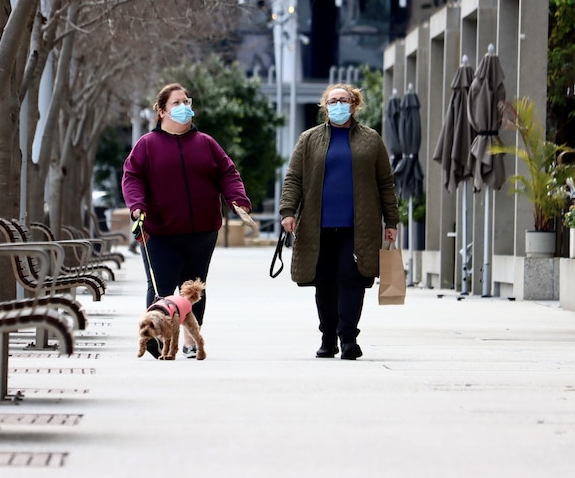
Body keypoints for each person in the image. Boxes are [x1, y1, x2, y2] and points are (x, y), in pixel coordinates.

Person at [122, 82, 252, 359]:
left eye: (186, 102)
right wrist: (137, 207)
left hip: (202, 231)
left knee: (193, 290)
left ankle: (192, 341)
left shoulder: (205, 143)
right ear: (162, 111)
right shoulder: (147, 145)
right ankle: (156, 341)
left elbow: (228, 173)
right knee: (161, 288)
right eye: (176, 103)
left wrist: (237, 200)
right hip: (159, 232)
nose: (184, 107)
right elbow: (132, 178)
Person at [279, 83, 399, 360]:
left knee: (352, 278)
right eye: (332, 101)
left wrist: (391, 219)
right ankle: (327, 337)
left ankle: (348, 339)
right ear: (325, 106)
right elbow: (293, 177)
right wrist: (288, 211)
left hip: (358, 226)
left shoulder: (371, 139)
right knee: (325, 281)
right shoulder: (309, 139)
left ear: (354, 104)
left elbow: (385, 183)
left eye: (344, 100)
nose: (338, 105)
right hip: (317, 224)